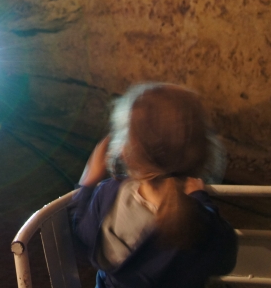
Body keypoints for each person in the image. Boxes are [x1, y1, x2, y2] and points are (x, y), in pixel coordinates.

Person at [72, 83, 238, 288]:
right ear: (200, 153)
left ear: (127, 152)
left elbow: (81, 235)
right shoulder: (203, 224)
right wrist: (201, 200)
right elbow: (226, 262)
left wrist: (87, 184)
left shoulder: (107, 195)